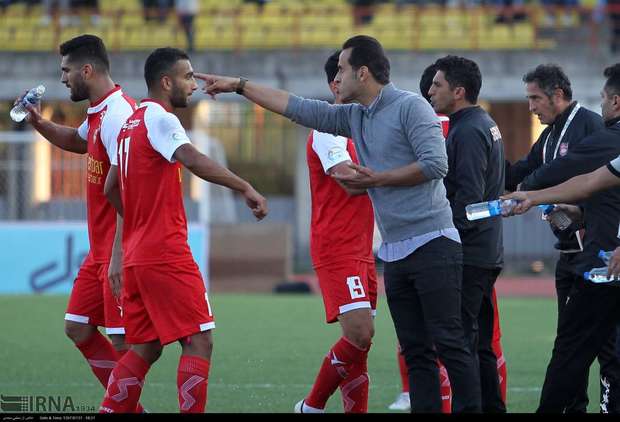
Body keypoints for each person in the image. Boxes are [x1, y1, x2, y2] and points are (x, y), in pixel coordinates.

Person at [196, 35, 481, 413]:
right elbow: (296, 108)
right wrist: (241, 86)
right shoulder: (355, 116)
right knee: (416, 351)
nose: (337, 77)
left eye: (343, 69)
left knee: (448, 343)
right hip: (394, 251)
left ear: (362, 73)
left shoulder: (412, 107)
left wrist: (376, 179)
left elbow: (436, 165)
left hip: (433, 242)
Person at [99, 47, 267, 413]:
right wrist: (244, 186)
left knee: (146, 347)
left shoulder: (130, 124)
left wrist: (139, 218)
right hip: (164, 252)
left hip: (137, 255)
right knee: (199, 341)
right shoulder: (161, 118)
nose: (193, 84)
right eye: (188, 76)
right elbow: (191, 158)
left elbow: (111, 187)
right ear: (166, 81)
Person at [18, 34, 143, 412]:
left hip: (118, 250)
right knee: (78, 326)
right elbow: (78, 141)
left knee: (125, 344)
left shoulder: (120, 114)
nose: (62, 79)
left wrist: (120, 254)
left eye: (66, 70)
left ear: (86, 70)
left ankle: (121, 408)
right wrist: (39, 123)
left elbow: (128, 189)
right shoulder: (101, 112)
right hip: (100, 251)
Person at [502, 63, 620, 413]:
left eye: (535, 98)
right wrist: (531, 194)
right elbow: (587, 183)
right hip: (579, 255)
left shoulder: (595, 129)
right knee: (578, 344)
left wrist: (529, 192)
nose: (531, 106)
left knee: (583, 347)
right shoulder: (554, 135)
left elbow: (572, 175)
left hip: (602, 256)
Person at [294, 51, 377, 414]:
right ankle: (310, 407)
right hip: (338, 247)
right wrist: (400, 176)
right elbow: (345, 176)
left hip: (362, 247)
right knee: (360, 334)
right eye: (347, 73)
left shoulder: (364, 127)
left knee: (360, 343)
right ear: (336, 84)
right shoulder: (329, 127)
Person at [429, 55, 506, 413]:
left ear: (458, 91)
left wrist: (447, 237)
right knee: (480, 345)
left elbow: (470, 200)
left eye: (438, 84)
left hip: (470, 251)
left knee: (460, 341)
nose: (431, 90)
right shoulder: (480, 123)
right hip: (486, 248)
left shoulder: (469, 129)